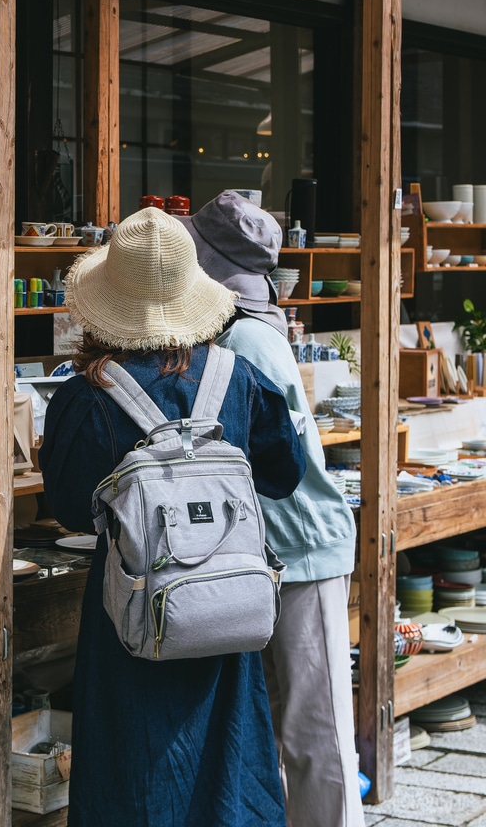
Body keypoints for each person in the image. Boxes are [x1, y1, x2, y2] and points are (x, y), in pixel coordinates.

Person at [40, 206, 305, 827]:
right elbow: (284, 476)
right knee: (226, 770)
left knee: (134, 775)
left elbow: (73, 511)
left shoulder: (86, 396)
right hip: (225, 606)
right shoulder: (237, 379)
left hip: (131, 612)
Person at [185, 190, 362, 827]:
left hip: (301, 549)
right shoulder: (246, 332)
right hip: (276, 548)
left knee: (318, 734)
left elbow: (272, 462)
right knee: (283, 732)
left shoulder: (247, 342)